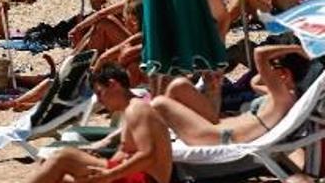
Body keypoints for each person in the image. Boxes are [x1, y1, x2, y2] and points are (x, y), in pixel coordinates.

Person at [25, 64, 173, 183]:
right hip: (134, 174)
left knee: (64, 157)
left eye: (100, 92)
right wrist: (99, 160)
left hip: (147, 178)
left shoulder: (137, 109)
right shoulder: (130, 109)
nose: (100, 101)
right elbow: (126, 151)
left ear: (113, 84)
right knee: (54, 172)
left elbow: (148, 155)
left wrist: (109, 175)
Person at [152, 44, 309, 146]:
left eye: (274, 67)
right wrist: (278, 69)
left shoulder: (283, 96)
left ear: (284, 74)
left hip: (214, 136)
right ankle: (161, 135)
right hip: (216, 126)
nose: (270, 70)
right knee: (180, 85)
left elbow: (259, 53)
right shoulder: (283, 95)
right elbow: (255, 82)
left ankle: (155, 144)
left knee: (159, 102)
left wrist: (295, 48)